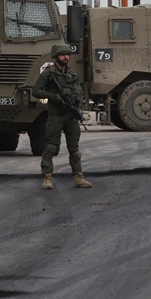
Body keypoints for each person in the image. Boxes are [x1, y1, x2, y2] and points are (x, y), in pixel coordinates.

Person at [32, 44, 92, 190]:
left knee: (74, 149)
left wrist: (77, 106)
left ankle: (78, 177)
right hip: (56, 116)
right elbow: (36, 91)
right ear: (56, 56)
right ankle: (47, 177)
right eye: (63, 55)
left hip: (70, 116)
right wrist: (54, 97)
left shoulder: (71, 73)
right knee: (51, 146)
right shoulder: (49, 73)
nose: (66, 57)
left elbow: (78, 91)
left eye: (68, 55)